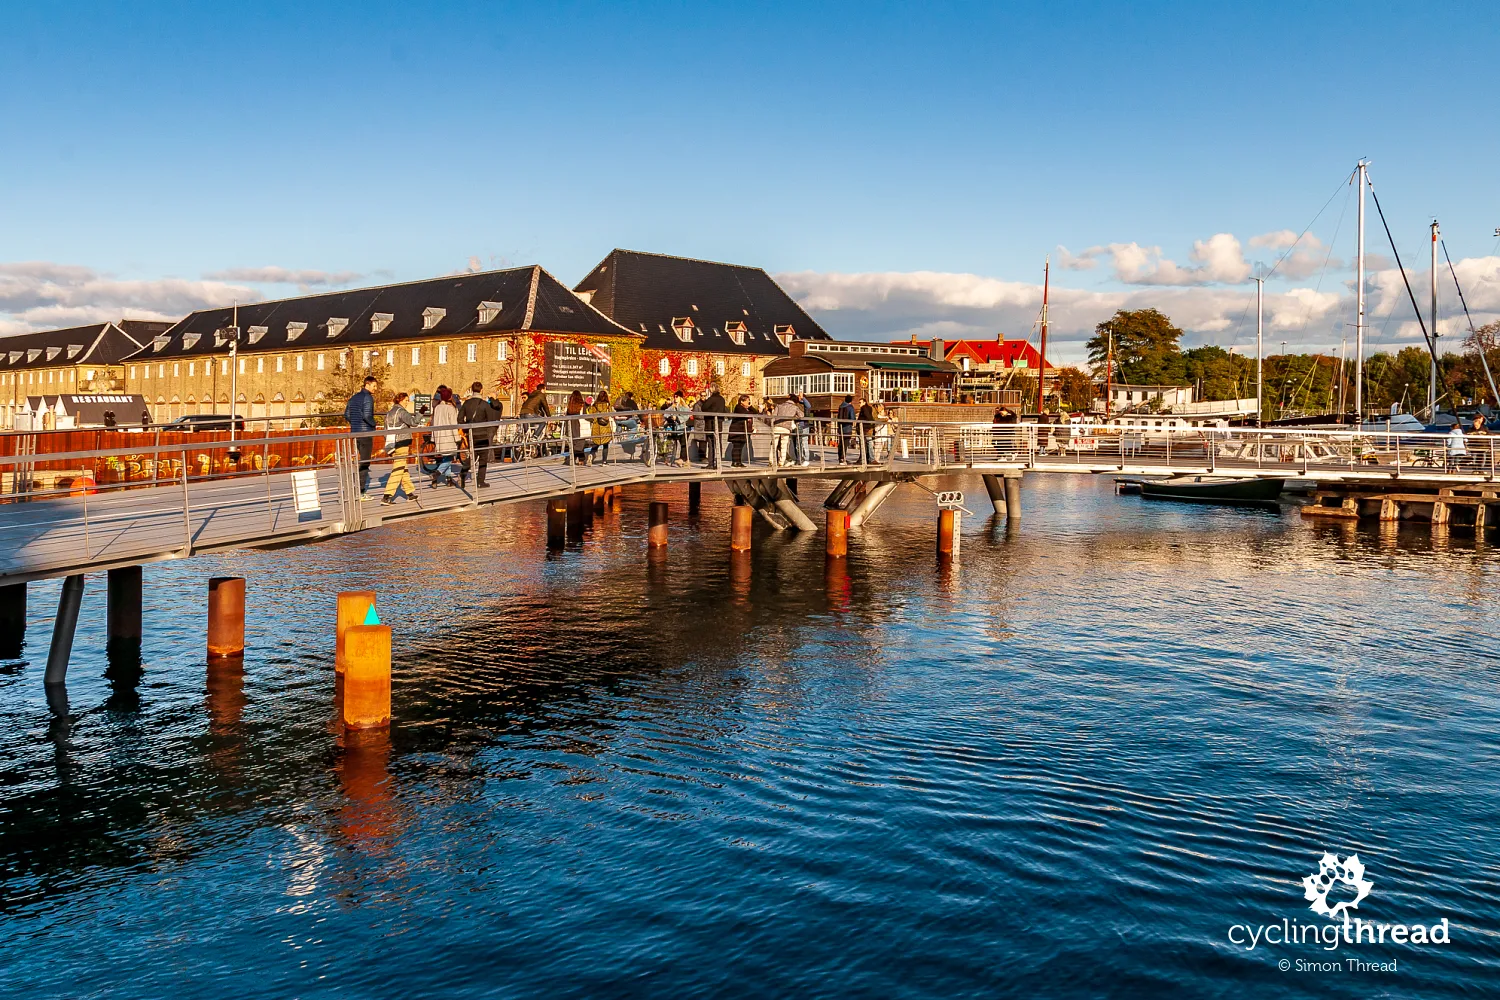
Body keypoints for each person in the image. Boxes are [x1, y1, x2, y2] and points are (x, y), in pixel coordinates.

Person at [382, 391, 420, 505]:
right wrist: (421, 412)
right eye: (406, 400)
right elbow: (414, 422)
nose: (407, 402)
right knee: (398, 469)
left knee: (403, 468)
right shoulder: (401, 411)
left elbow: (385, 430)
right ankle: (387, 496)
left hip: (392, 443)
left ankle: (410, 493)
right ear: (400, 400)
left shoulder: (389, 413)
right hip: (402, 443)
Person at [458, 381, 499, 488]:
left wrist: (467, 429)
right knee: (483, 458)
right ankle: (480, 481)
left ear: (472, 390)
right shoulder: (485, 404)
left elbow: (459, 419)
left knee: (472, 456)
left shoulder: (466, 403)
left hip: (471, 434)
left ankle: (462, 474)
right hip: (483, 435)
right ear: (481, 390)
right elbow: (490, 419)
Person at [344, 375, 378, 494]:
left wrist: (355, 423)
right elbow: (367, 415)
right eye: (374, 386)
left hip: (355, 432)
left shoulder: (353, 398)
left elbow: (347, 415)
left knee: (360, 460)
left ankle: (357, 488)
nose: (375, 388)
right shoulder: (368, 398)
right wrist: (374, 424)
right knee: (365, 462)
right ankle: (360, 491)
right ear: (367, 384)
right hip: (365, 433)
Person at [429, 386, 464, 487]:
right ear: (449, 397)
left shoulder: (437, 408)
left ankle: (448, 479)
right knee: (450, 457)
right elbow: (453, 425)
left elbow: (434, 423)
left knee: (445, 457)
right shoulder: (451, 409)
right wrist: (457, 438)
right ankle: (437, 473)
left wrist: (433, 437)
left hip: (439, 436)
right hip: (448, 437)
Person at [700, 387, 727, 468]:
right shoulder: (722, 399)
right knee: (718, 442)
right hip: (719, 422)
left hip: (710, 423)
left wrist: (705, 402)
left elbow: (703, 408)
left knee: (711, 443)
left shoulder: (711, 399)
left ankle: (711, 463)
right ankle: (718, 463)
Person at [772, 395, 800, 465]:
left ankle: (771, 461)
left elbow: (773, 416)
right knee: (784, 446)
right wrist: (795, 416)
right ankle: (781, 462)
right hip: (786, 428)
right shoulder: (795, 407)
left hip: (777, 426)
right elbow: (801, 415)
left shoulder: (779, 406)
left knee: (773, 444)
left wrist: (772, 425)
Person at [588, 389, 614, 464]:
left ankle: (591, 454)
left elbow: (590, 413)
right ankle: (604, 461)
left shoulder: (595, 405)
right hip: (605, 426)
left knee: (596, 443)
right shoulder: (607, 405)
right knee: (605, 444)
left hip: (596, 426)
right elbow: (611, 413)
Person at [665, 391, 690, 466]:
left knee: (683, 443)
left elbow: (686, 416)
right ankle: (671, 457)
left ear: (680, 398)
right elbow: (665, 413)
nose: (675, 398)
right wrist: (669, 417)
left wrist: (677, 418)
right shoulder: (672, 407)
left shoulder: (684, 407)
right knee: (671, 441)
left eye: (677, 397)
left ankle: (682, 459)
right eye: (674, 397)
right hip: (675, 428)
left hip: (683, 427)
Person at [730, 394, 754, 467]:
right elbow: (746, 414)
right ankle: (734, 462)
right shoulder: (738, 407)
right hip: (737, 430)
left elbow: (755, 412)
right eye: (747, 401)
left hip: (743, 430)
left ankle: (739, 461)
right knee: (736, 446)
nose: (748, 402)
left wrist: (750, 407)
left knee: (740, 447)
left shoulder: (746, 408)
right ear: (742, 401)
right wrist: (749, 410)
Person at [565, 390, 588, 464]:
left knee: (574, 443)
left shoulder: (570, 406)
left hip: (571, 426)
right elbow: (585, 416)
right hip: (579, 425)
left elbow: (566, 417)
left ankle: (574, 458)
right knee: (580, 443)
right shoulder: (582, 405)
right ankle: (581, 459)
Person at [793, 392, 812, 466]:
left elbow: (809, 405)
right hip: (797, 425)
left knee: (804, 443)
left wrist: (802, 398)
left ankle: (806, 459)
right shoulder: (796, 404)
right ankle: (799, 459)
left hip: (804, 425)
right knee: (798, 444)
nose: (798, 397)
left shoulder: (805, 404)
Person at [836, 394, 856, 464]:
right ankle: (843, 458)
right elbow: (853, 418)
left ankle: (840, 458)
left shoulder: (841, 406)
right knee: (845, 443)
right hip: (847, 428)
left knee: (841, 443)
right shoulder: (850, 407)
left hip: (840, 427)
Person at [857, 398, 876, 464]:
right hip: (867, 428)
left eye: (860, 402)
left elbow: (868, 417)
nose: (859, 404)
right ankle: (868, 458)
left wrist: (868, 423)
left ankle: (870, 459)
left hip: (865, 428)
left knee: (867, 443)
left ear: (864, 402)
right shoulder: (869, 408)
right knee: (868, 443)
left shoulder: (864, 408)